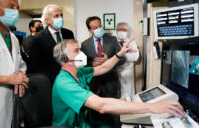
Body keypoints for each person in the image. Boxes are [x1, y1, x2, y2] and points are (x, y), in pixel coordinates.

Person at [52, 39, 185, 128]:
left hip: (85, 122)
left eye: (80, 49)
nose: (81, 53)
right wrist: (152, 107)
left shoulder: (80, 72)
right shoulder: (64, 83)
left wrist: (120, 53)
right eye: (76, 51)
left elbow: (103, 68)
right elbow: (101, 105)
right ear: (64, 57)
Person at [0, 0, 29, 128]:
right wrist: (7, 79)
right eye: (11, 6)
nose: (15, 12)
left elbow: (21, 64)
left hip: (11, 102)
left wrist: (21, 75)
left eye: (17, 8)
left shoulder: (12, 37)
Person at [81, 16, 126, 126]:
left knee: (113, 117)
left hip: (111, 84)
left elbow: (123, 59)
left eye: (100, 26)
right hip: (94, 86)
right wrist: (92, 64)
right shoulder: (85, 44)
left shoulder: (112, 40)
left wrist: (109, 60)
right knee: (96, 118)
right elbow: (83, 63)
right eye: (95, 27)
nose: (99, 29)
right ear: (90, 30)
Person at [27, 4, 74, 85]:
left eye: (61, 15)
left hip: (70, 79)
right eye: (56, 16)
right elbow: (34, 67)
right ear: (47, 20)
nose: (60, 18)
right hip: (50, 82)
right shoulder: (37, 39)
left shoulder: (69, 33)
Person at [116, 22, 139, 101]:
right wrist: (127, 52)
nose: (122, 31)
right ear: (116, 31)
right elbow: (111, 57)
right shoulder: (113, 42)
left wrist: (120, 55)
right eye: (120, 29)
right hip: (116, 73)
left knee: (130, 96)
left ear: (128, 31)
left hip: (128, 72)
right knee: (119, 96)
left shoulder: (132, 42)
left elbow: (135, 57)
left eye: (124, 30)